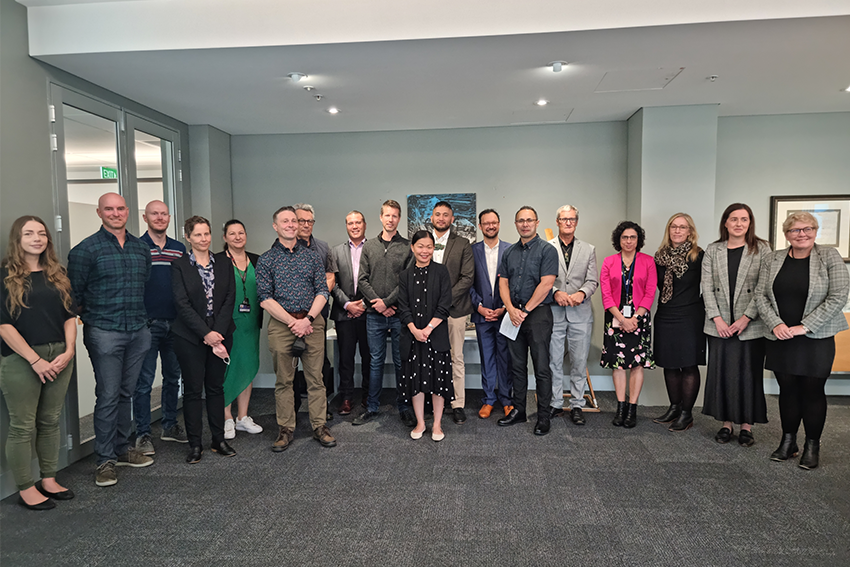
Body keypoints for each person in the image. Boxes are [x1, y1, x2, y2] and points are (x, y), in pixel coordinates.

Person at [68, 192, 153, 487]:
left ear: (127, 211)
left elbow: (144, 285)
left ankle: (121, 448)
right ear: (99, 212)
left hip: (138, 331)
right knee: (107, 394)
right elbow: (73, 296)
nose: (115, 213)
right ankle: (104, 459)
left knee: (125, 393)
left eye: (120, 209)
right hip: (104, 331)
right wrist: (88, 317)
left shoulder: (141, 249)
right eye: (109, 209)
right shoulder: (85, 250)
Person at [756, 211, 849, 470]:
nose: (802, 234)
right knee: (787, 390)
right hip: (780, 336)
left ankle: (811, 445)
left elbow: (838, 296)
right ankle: (788, 441)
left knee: (812, 391)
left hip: (815, 337)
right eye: (796, 230)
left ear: (816, 231)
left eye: (808, 229)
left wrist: (804, 326)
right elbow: (761, 296)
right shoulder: (773, 259)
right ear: (787, 234)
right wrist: (776, 323)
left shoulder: (829, 256)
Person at [0, 216, 77, 510]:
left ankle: (48, 478)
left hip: (59, 355)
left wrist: (69, 351)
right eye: (29, 233)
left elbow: (69, 316)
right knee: (22, 426)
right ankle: (25, 487)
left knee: (50, 420)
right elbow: (4, 325)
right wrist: (35, 361)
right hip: (21, 359)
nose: (37, 238)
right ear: (17, 239)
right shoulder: (5, 276)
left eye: (41, 233)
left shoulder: (57, 273)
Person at [257, 206, 335, 451]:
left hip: (312, 322)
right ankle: (286, 429)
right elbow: (264, 298)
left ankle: (319, 426)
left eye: (294, 221)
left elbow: (322, 291)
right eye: (285, 221)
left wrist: (308, 320)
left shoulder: (312, 256)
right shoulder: (266, 259)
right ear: (275, 226)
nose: (291, 224)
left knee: (316, 379)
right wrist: (293, 322)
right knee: (284, 381)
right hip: (282, 325)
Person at [701, 204, 771, 446]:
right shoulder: (713, 250)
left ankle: (746, 426)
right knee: (721, 374)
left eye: (744, 219)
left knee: (748, 374)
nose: (739, 224)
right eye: (734, 219)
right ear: (725, 223)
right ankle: (725, 424)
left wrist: (745, 318)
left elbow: (764, 287)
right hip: (718, 325)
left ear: (750, 223)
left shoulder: (761, 249)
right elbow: (706, 287)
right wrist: (717, 319)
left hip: (750, 325)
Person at [171, 216, 237, 463]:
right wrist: (205, 334)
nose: (203, 239)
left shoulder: (223, 263)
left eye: (207, 233)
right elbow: (182, 304)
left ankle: (218, 440)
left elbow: (230, 297)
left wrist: (217, 333)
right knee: (192, 391)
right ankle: (195, 444)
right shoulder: (179, 266)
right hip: (190, 337)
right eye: (197, 235)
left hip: (221, 335)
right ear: (188, 237)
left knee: (216, 388)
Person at [496, 206, 559, 435]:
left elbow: (547, 284)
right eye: (521, 221)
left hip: (538, 316)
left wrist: (525, 310)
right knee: (517, 367)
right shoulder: (509, 252)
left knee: (542, 368)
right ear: (515, 224)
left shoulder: (547, 251)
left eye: (529, 220)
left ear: (537, 222)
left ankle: (543, 417)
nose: (525, 224)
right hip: (513, 315)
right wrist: (512, 310)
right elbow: (503, 282)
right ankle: (519, 410)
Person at [352, 200, 414, 427]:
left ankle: (404, 406)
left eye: (395, 216)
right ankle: (372, 407)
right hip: (374, 315)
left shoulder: (407, 247)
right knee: (375, 361)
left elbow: (407, 281)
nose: (391, 219)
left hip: (398, 314)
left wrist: (387, 302)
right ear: (380, 217)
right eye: (387, 215)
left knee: (401, 362)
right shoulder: (369, 247)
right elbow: (362, 280)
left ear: (399, 219)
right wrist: (378, 305)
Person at [134, 200, 187, 457]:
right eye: (154, 214)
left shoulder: (179, 249)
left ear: (169, 217)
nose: (159, 217)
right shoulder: (137, 247)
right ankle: (143, 433)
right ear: (145, 217)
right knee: (143, 382)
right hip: (148, 324)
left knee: (172, 378)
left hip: (175, 323)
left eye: (164, 214)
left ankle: (169, 424)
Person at [599, 221, 656, 428]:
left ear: (638, 240)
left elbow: (650, 293)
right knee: (618, 364)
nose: (629, 241)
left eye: (632, 237)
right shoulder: (609, 262)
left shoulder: (648, 262)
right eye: (625, 237)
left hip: (639, 319)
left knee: (637, 364)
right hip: (615, 319)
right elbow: (605, 294)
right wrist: (622, 319)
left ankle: (632, 408)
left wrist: (635, 319)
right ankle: (620, 406)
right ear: (618, 240)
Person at [398, 231, 454, 441]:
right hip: (413, 338)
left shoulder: (441, 272)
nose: (424, 251)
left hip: (435, 335)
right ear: (412, 248)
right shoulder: (404, 275)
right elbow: (402, 307)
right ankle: (421, 422)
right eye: (420, 246)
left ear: (434, 248)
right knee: (416, 381)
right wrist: (414, 330)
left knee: (437, 381)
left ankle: (437, 424)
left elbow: (445, 304)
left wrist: (428, 329)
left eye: (429, 246)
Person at [652, 213, 705, 432]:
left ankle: (686, 413)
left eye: (682, 227)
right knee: (670, 363)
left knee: (688, 364)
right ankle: (674, 407)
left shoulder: (698, 256)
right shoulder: (659, 256)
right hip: (665, 314)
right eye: (673, 226)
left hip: (690, 316)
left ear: (690, 231)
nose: (677, 231)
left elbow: (710, 286)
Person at [547, 205, 598, 426]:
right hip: (554, 312)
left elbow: (592, 280)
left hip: (580, 312)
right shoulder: (546, 248)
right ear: (557, 221)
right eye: (564, 219)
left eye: (572, 219)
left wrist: (581, 294)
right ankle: (556, 402)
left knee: (578, 362)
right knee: (554, 361)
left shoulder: (588, 249)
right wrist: (555, 292)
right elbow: (541, 280)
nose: (568, 222)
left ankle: (577, 404)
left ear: (576, 222)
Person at [430, 201, 474, 424]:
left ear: (452, 219)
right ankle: (433, 399)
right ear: (431, 218)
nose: (441, 218)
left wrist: (444, 301)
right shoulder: (423, 243)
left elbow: (467, 278)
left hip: (455, 311)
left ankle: (457, 403)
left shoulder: (463, 244)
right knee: (431, 358)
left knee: (455, 357)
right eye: (437, 214)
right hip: (427, 314)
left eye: (445, 215)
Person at [219, 220, 264, 439]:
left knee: (248, 366)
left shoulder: (257, 260)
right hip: (228, 325)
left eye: (241, 233)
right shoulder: (217, 261)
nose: (237, 237)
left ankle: (242, 417)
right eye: (232, 233)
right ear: (225, 237)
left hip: (251, 323)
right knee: (228, 369)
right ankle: (226, 416)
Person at [469, 209, 512, 418]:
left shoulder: (511, 250)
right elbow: (466, 282)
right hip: (482, 315)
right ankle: (488, 400)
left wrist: (505, 307)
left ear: (499, 224)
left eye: (494, 222)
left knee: (505, 358)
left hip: (505, 315)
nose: (490, 226)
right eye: (486, 223)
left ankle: (506, 399)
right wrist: (478, 306)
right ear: (480, 226)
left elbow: (515, 283)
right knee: (487, 358)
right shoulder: (471, 251)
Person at [328, 211, 372, 415]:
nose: (354, 226)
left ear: (364, 224)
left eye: (358, 222)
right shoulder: (334, 252)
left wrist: (363, 304)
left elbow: (377, 280)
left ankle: (367, 394)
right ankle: (346, 396)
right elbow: (332, 283)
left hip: (369, 312)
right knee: (345, 358)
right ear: (346, 226)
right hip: (344, 313)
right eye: (350, 223)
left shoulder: (373, 249)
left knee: (368, 357)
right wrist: (348, 304)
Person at [294, 203, 334, 420]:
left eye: (310, 221)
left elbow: (330, 277)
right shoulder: (283, 246)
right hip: (291, 316)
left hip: (318, 315)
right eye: (302, 220)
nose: (306, 225)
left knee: (320, 364)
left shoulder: (322, 247)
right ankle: (292, 407)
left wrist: (314, 304)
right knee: (291, 364)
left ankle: (321, 408)